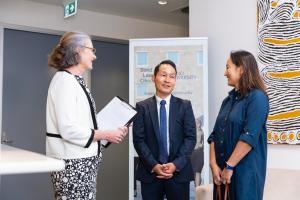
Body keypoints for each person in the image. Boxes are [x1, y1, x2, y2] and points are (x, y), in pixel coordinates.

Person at [46, 31, 128, 200]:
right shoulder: (65, 82)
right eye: (92, 50)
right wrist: (106, 134)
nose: (94, 56)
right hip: (73, 163)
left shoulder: (73, 80)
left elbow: (82, 121)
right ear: (78, 51)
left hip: (81, 161)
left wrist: (115, 127)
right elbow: (68, 129)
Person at [208, 50, 269, 200]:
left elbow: (249, 137)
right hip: (222, 174)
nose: (224, 72)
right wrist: (213, 165)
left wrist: (230, 166)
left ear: (241, 68)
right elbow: (214, 135)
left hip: (244, 175)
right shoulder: (227, 101)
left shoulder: (258, 98)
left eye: (228, 67)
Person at [133, 60, 196, 200]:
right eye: (163, 75)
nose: (167, 80)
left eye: (172, 76)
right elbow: (139, 140)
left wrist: (175, 164)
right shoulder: (142, 107)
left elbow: (190, 138)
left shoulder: (184, 106)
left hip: (178, 174)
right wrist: (154, 165)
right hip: (150, 174)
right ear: (153, 78)